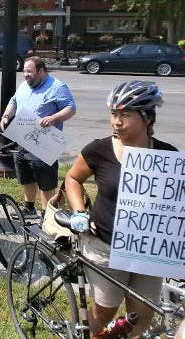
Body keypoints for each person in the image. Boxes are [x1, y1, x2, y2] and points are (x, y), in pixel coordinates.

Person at [64, 81, 177, 336]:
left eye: (125, 115)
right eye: (114, 114)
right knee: (104, 312)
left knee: (141, 315)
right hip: (106, 246)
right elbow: (72, 179)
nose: (116, 121)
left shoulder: (167, 155)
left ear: (147, 118)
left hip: (148, 250)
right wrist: (79, 211)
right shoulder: (99, 150)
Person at [0, 56, 76, 218]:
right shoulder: (23, 85)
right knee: (25, 175)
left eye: (29, 71)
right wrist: (6, 116)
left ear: (41, 71)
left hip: (45, 143)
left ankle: (47, 215)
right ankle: (29, 208)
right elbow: (14, 101)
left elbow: (70, 108)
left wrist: (54, 118)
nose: (25, 75)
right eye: (24, 71)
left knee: (45, 181)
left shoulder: (57, 87)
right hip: (23, 139)